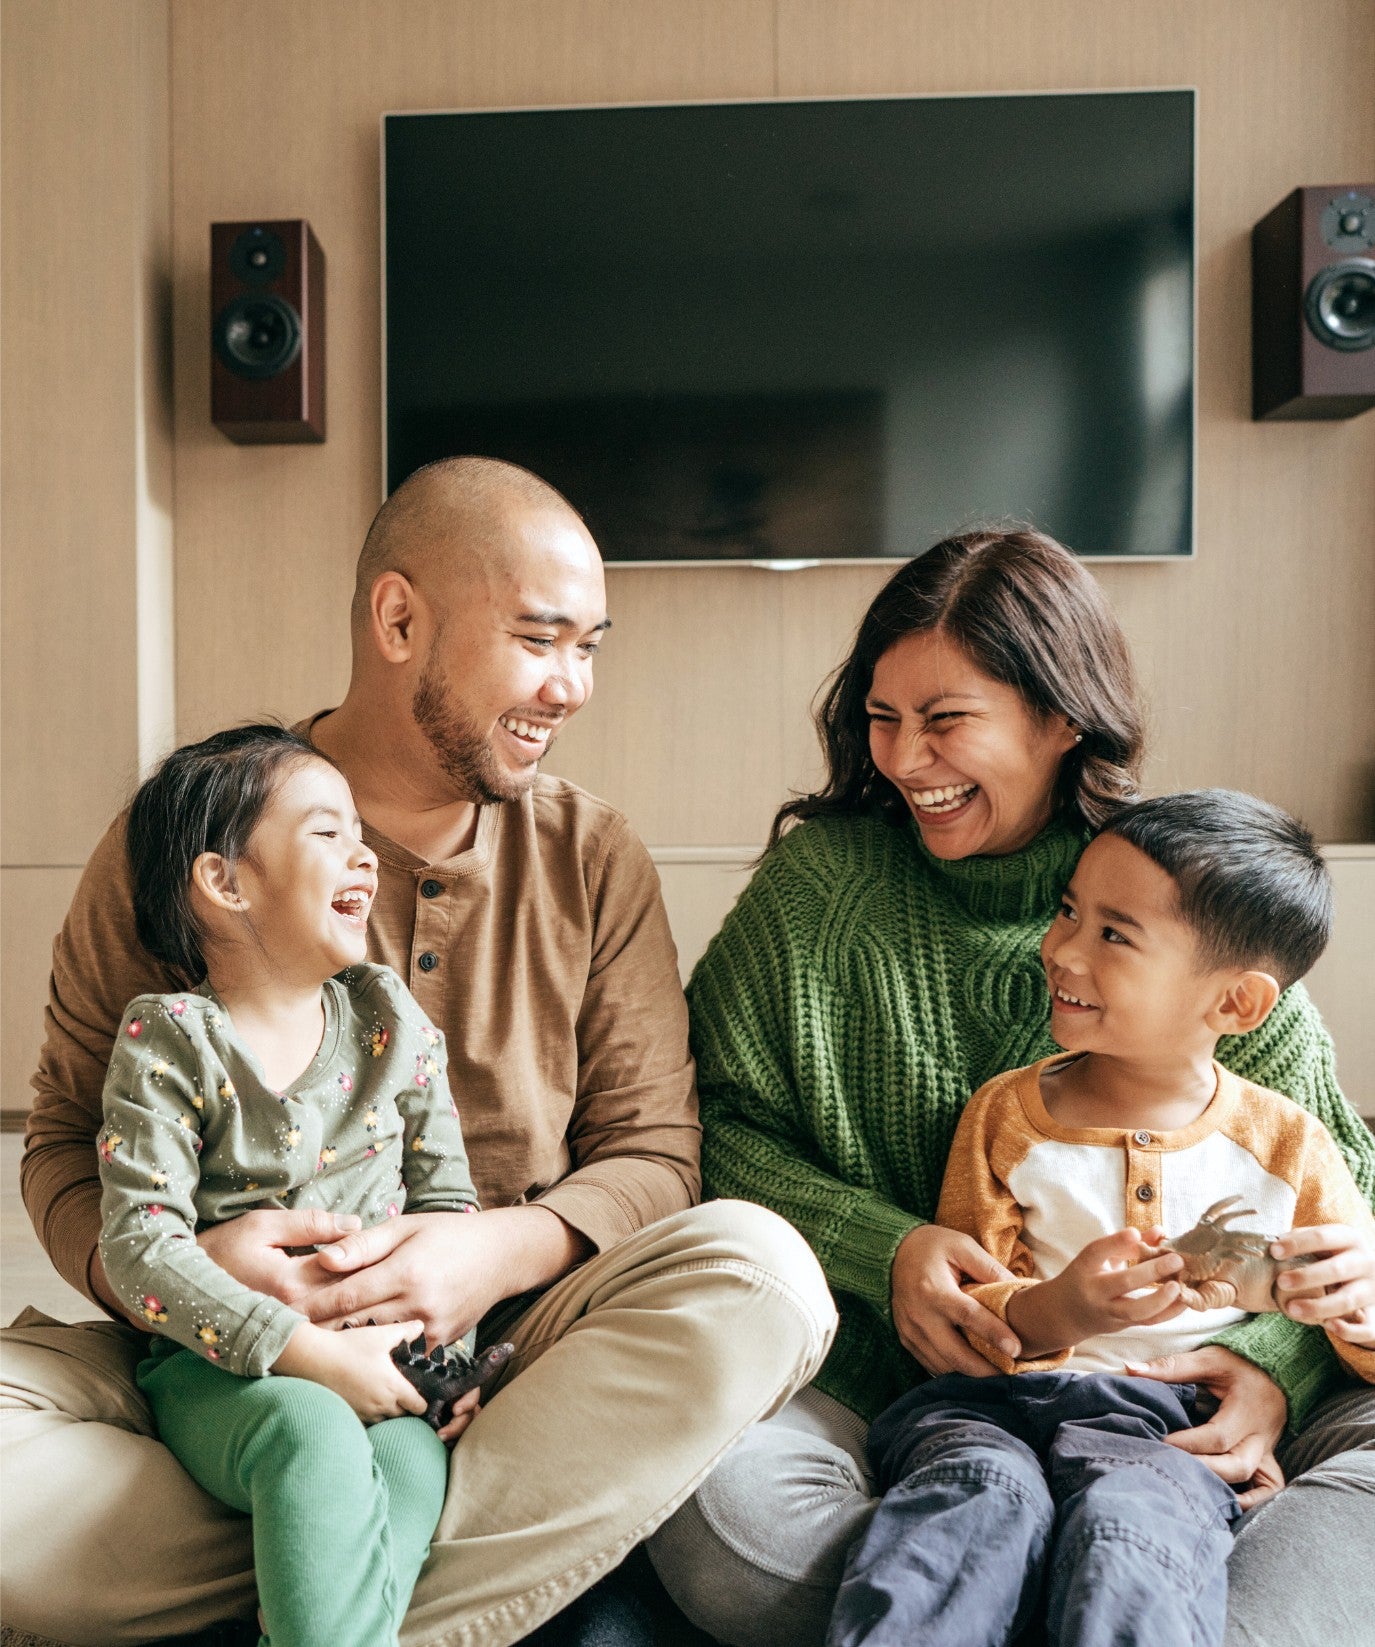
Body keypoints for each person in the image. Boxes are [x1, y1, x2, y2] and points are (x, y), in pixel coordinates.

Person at [1, 457, 837, 1647]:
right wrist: (205, 1272)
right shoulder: (195, 832)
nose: (574, 685)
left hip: (492, 1364)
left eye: (590, 645)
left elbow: (655, 1160)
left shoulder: (595, 858)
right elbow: (66, 1153)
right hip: (208, 1358)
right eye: (543, 639)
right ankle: (384, 1572)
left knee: (763, 1275)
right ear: (400, 619)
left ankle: (314, 1580)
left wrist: (483, 1255)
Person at [646, 527, 1375, 1647]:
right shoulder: (817, 890)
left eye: (944, 721)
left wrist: (1257, 1363)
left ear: (1059, 716)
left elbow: (1332, 1201)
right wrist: (879, 1248)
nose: (901, 759)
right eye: (880, 720)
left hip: (1164, 1416)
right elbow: (705, 1131)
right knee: (717, 1498)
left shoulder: (1183, 891)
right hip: (892, 1392)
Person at [827, 790, 1375, 1647]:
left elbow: (1356, 1338)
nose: (1060, 949)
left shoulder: (1289, 1144)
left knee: (1133, 1531)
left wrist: (1357, 1298)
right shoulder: (1005, 1115)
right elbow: (976, 1312)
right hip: (989, 1410)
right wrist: (1065, 1309)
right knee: (962, 1508)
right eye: (1067, 912)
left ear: (1235, 1004)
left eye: (1113, 935)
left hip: (1169, 1430)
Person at [101, 725, 487, 1647]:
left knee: (408, 1463)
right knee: (310, 1436)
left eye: (359, 831)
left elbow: (448, 1212)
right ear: (224, 882)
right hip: (220, 1371)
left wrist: (445, 1352)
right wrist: (303, 1354)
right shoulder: (170, 1040)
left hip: (384, 1356)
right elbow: (137, 1246)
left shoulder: (394, 1025)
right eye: (325, 832)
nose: (363, 852)